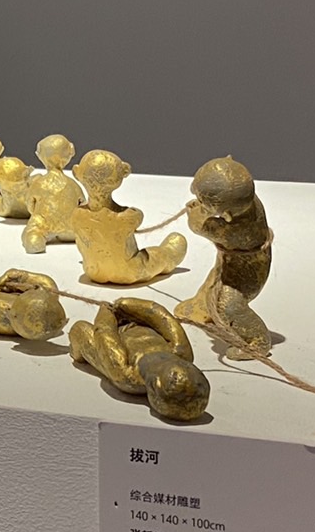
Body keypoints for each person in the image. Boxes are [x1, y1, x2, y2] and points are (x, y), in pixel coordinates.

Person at [175, 156, 273, 360]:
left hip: (247, 277)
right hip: (233, 259)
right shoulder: (246, 198)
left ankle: (257, 341)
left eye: (204, 202)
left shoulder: (238, 231)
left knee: (227, 303)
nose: (195, 197)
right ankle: (200, 308)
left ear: (226, 215)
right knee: (213, 282)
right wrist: (205, 206)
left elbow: (199, 226)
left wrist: (197, 215)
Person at [69, 298, 211, 421]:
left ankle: (77, 354)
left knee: (79, 329)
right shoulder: (182, 353)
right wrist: (126, 304)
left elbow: (104, 334)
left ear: (155, 384)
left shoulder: (125, 373)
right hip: (138, 322)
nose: (187, 365)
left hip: (115, 337)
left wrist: (106, 312)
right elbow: (163, 318)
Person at [70, 150, 186, 285]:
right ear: (122, 174)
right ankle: (170, 254)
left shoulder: (76, 215)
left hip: (93, 271)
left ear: (76, 173)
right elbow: (137, 217)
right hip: (128, 272)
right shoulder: (127, 217)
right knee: (156, 257)